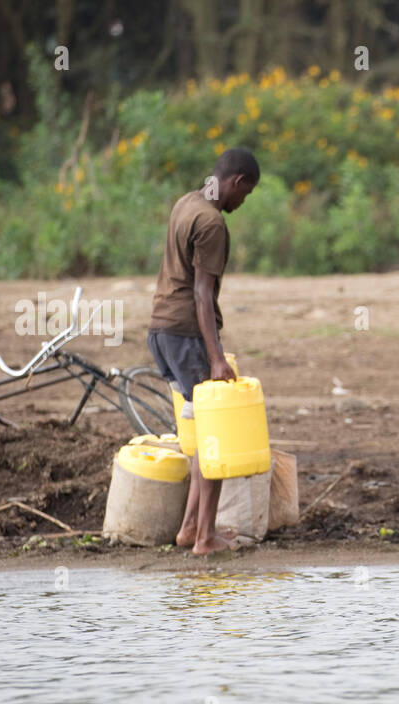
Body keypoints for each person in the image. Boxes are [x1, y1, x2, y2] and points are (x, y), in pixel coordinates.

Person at [146, 147, 259, 554]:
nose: (241, 204)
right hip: (186, 336)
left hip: (160, 332)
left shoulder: (186, 204)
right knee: (217, 435)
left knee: (200, 431)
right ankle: (205, 538)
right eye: (244, 196)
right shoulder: (211, 224)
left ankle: (191, 528)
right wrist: (216, 358)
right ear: (237, 181)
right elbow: (201, 294)